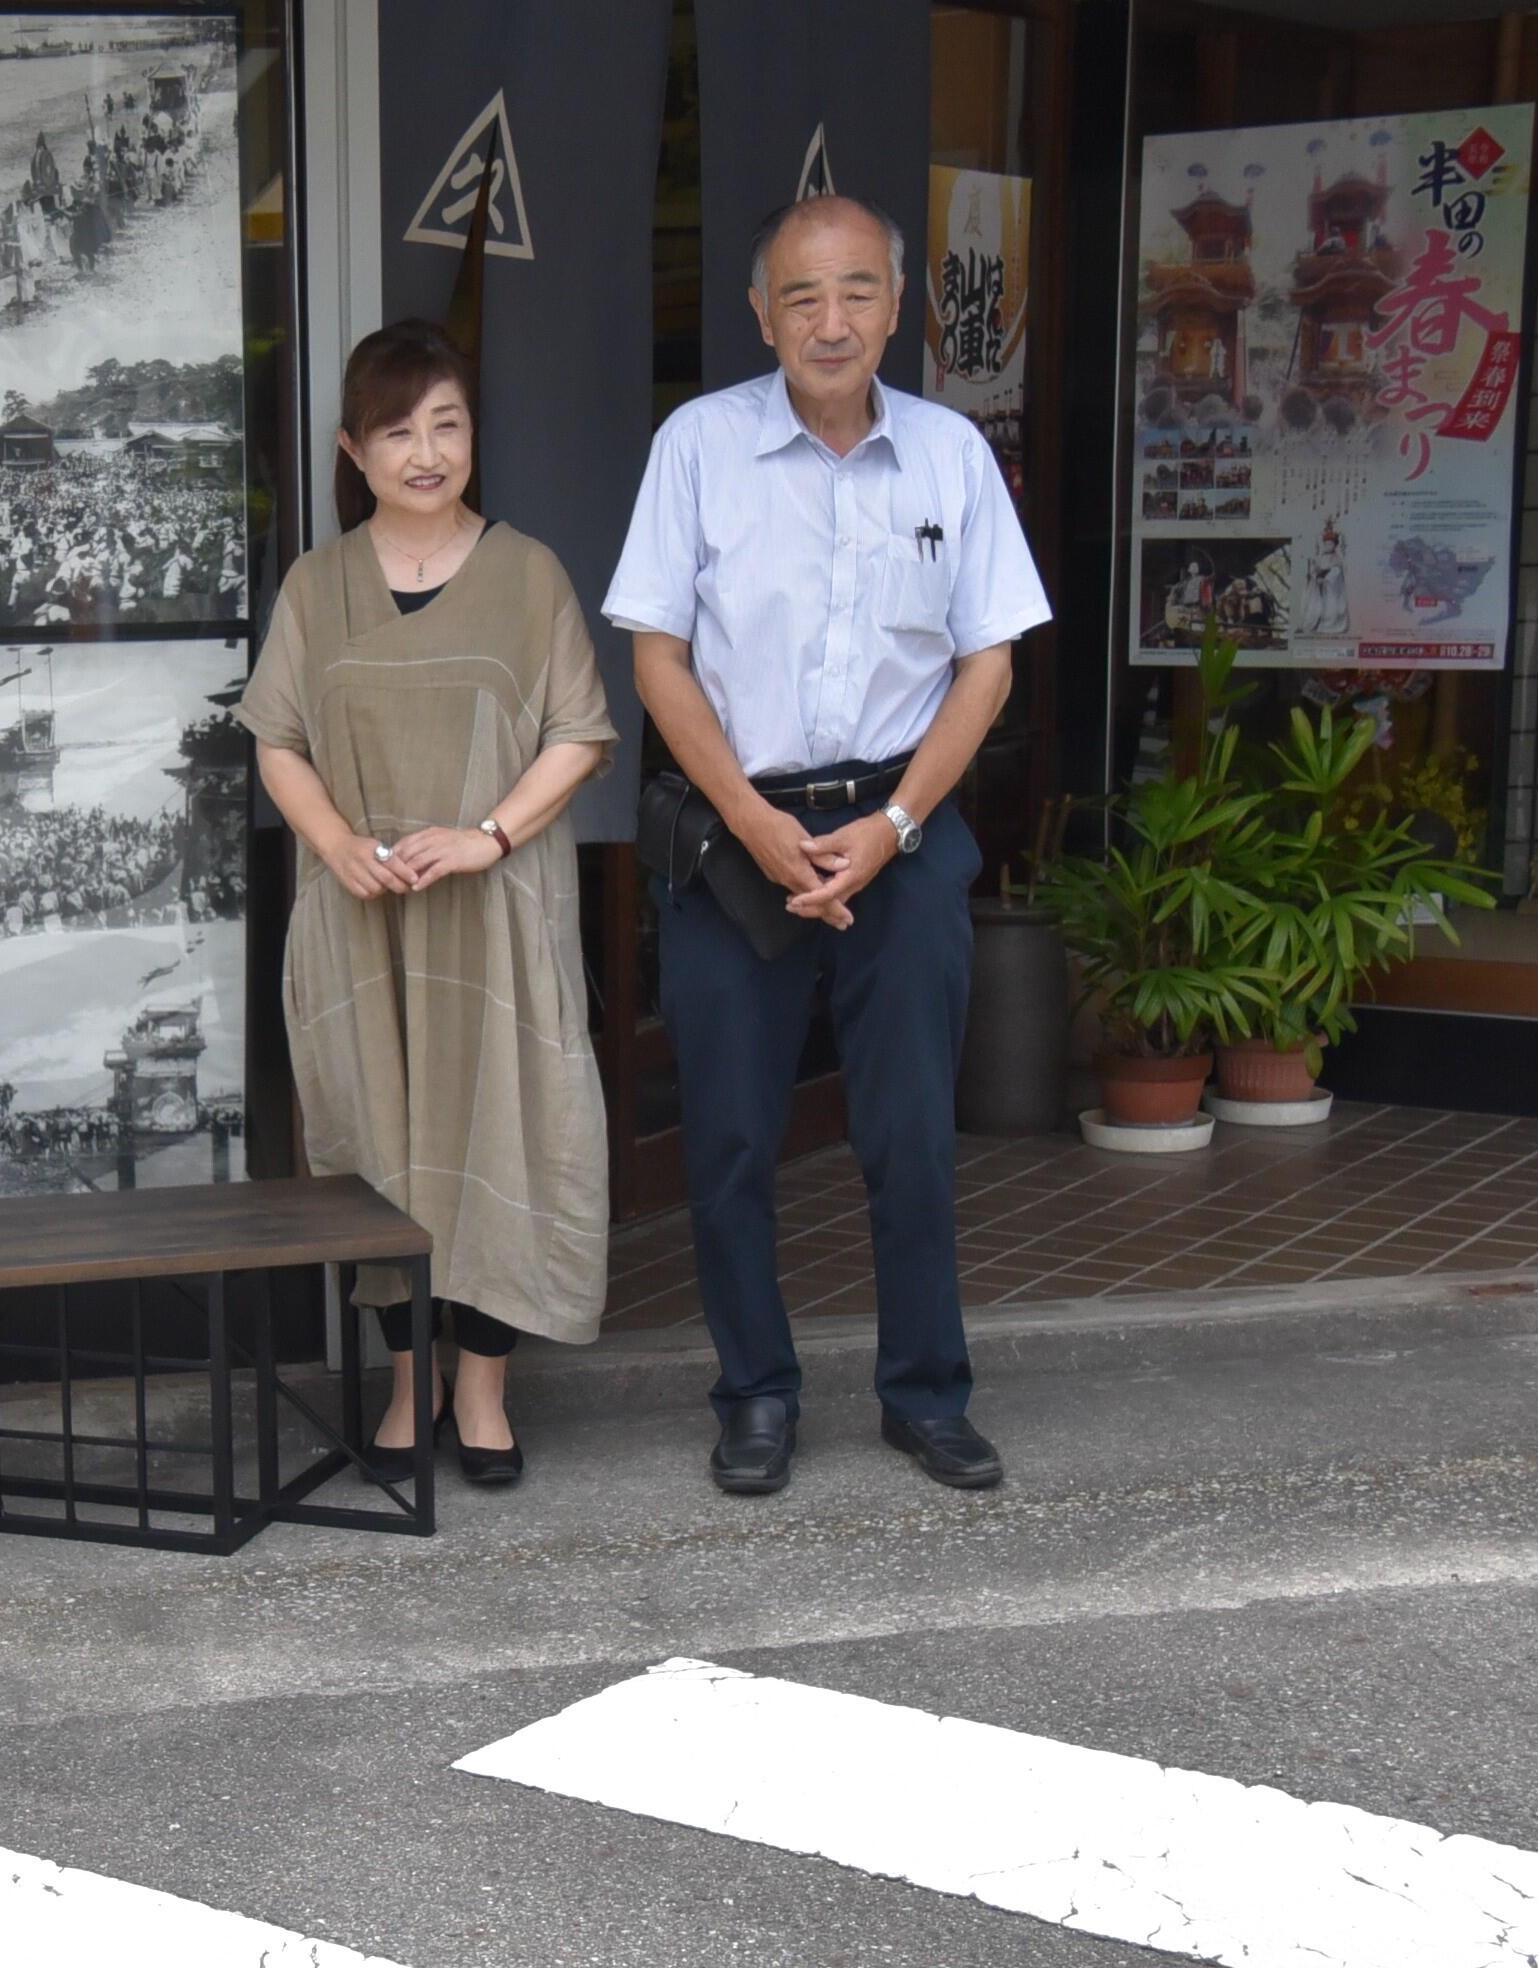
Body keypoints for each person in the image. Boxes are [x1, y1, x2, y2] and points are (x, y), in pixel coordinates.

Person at [604, 195, 1052, 1498]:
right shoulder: (697, 446)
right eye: (803, 296)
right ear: (761, 315)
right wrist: (754, 822)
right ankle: (754, 1392)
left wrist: (899, 822)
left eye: (858, 291)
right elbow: (656, 657)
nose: (832, 320)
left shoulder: (953, 456)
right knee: (733, 1137)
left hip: (900, 829)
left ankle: (925, 1392)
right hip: (739, 830)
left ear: (896, 306)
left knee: (909, 1131)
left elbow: (989, 667)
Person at [240, 320, 616, 1487]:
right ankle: (410, 1388)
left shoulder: (528, 573)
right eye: (398, 430)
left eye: (446, 425)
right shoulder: (318, 584)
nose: (425, 451)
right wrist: (338, 842)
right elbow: (277, 740)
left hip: (492, 919)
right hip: (362, 923)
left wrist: (487, 833)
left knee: (497, 1129)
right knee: (384, 1154)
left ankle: (486, 1392)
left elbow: (581, 734)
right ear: (353, 450)